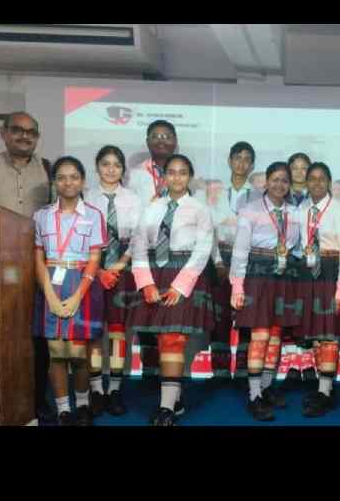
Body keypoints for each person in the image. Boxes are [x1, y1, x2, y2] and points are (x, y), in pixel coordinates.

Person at [0, 110, 53, 421]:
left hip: (38, 266)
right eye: (17, 130)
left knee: (38, 337)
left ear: (37, 136)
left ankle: (37, 398)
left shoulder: (48, 170)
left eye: (31, 131)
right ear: (4, 133)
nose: (24, 136)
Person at [127, 154, 215, 425]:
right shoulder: (152, 207)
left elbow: (203, 249)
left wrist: (180, 285)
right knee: (161, 339)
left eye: (183, 172)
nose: (177, 177)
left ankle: (165, 409)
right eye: (172, 172)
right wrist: (146, 282)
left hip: (183, 271)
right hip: (155, 272)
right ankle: (174, 402)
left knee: (173, 340)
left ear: (190, 176)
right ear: (164, 176)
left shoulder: (199, 208)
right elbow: (139, 243)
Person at [32, 156, 107, 426]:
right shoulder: (41, 216)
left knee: (77, 353)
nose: (68, 182)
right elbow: (38, 258)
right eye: (62, 177)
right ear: (54, 182)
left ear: (83, 180)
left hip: (82, 283)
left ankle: (83, 405)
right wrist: (50, 295)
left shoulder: (94, 215)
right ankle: (64, 409)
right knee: (56, 351)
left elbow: (95, 259)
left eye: (74, 176)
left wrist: (77, 295)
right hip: (50, 281)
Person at [230, 162, 301, 421]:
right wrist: (237, 286)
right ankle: (254, 395)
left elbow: (299, 246)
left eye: (284, 180)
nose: (279, 184)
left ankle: (267, 387)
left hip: (284, 277)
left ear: (289, 184)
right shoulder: (249, 210)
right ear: (266, 182)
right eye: (275, 179)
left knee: (275, 335)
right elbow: (239, 252)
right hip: (257, 275)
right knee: (259, 336)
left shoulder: (296, 212)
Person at [83, 145, 145, 417]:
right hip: (91, 272)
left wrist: (118, 267)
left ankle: (115, 389)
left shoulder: (134, 199)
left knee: (119, 332)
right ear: (97, 167)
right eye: (105, 164)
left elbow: (139, 239)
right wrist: (97, 271)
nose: (111, 169)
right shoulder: (85, 199)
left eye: (116, 165)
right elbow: (81, 239)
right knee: (95, 333)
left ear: (123, 170)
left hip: (123, 273)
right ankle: (96, 389)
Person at [293, 162, 340, 417]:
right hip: (308, 274)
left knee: (329, 334)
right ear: (306, 182)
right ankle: (323, 387)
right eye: (312, 179)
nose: (316, 183)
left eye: (321, 179)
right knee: (316, 334)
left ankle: (326, 392)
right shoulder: (301, 209)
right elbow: (296, 245)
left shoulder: (339, 210)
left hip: (331, 272)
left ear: (329, 182)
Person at [208, 142, 261, 388]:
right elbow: (207, 230)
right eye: (237, 158)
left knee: (245, 316)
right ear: (229, 160)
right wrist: (218, 262)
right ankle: (219, 372)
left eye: (246, 159)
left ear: (252, 165)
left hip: (248, 263)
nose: (241, 163)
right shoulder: (214, 194)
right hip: (219, 258)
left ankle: (242, 371)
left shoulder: (259, 197)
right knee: (219, 316)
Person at [282, 152, 316, 387]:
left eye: (304, 168)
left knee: (306, 314)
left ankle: (309, 364)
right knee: (287, 314)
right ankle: (292, 364)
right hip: (283, 262)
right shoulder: (278, 196)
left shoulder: (316, 197)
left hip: (307, 262)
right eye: (295, 167)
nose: (299, 172)